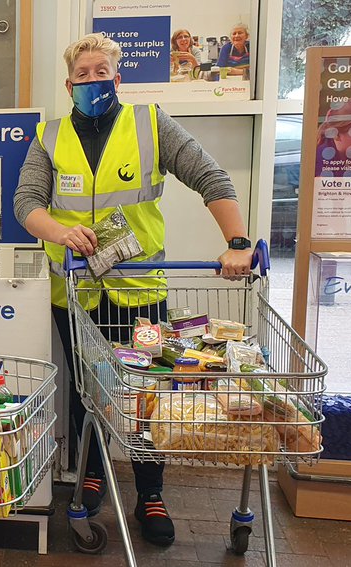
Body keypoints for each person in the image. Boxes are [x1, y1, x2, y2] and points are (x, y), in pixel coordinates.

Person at [13, 33, 252, 547]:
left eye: (101, 72)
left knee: (146, 394)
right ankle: (91, 474)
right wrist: (60, 232)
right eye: (83, 74)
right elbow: (26, 202)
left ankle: (150, 493)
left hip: (140, 294)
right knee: (86, 392)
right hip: (75, 296)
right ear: (69, 84)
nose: (92, 81)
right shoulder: (49, 136)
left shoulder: (150, 124)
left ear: (117, 78)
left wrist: (237, 242)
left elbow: (211, 177)